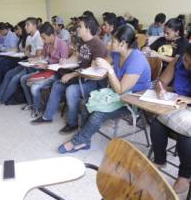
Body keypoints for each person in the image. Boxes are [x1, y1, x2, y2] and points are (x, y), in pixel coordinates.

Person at [58, 25, 151, 153]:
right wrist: (98, 61)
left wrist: (109, 69)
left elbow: (121, 90)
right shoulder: (116, 53)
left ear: (123, 43)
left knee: (97, 114)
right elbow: (100, 64)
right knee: (86, 102)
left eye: (113, 41)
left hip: (133, 98)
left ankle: (78, 141)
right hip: (116, 93)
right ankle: (84, 139)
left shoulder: (137, 60)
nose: (108, 43)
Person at [31, 15, 108, 134]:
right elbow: (76, 56)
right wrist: (66, 61)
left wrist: (72, 75)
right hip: (81, 75)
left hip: (93, 81)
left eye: (80, 26)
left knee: (71, 90)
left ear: (88, 28)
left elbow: (91, 70)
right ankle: (47, 117)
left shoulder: (98, 45)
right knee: (58, 84)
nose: (77, 29)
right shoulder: (83, 41)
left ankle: (72, 123)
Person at [150, 44, 191, 194]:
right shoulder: (178, 61)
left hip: (187, 107)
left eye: (189, 63)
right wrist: (160, 90)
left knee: (186, 136)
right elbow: (162, 82)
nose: (186, 65)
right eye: (186, 59)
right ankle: (160, 160)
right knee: (157, 124)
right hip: (176, 103)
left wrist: (188, 99)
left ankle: (184, 175)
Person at [0, 17, 43, 106]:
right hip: (28, 63)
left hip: (34, 66)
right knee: (9, 74)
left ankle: (2, 99)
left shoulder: (39, 37)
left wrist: (29, 55)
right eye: (25, 25)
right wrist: (29, 54)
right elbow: (27, 52)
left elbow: (38, 56)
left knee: (15, 77)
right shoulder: (30, 37)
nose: (25, 27)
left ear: (34, 26)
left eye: (28, 25)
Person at [20, 22, 69, 117]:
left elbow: (63, 66)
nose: (42, 40)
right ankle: (32, 104)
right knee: (23, 79)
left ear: (51, 35)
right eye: (42, 38)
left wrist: (47, 65)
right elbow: (44, 56)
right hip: (46, 70)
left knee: (34, 87)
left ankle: (37, 109)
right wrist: (35, 60)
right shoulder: (47, 44)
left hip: (57, 74)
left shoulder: (62, 45)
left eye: (44, 38)